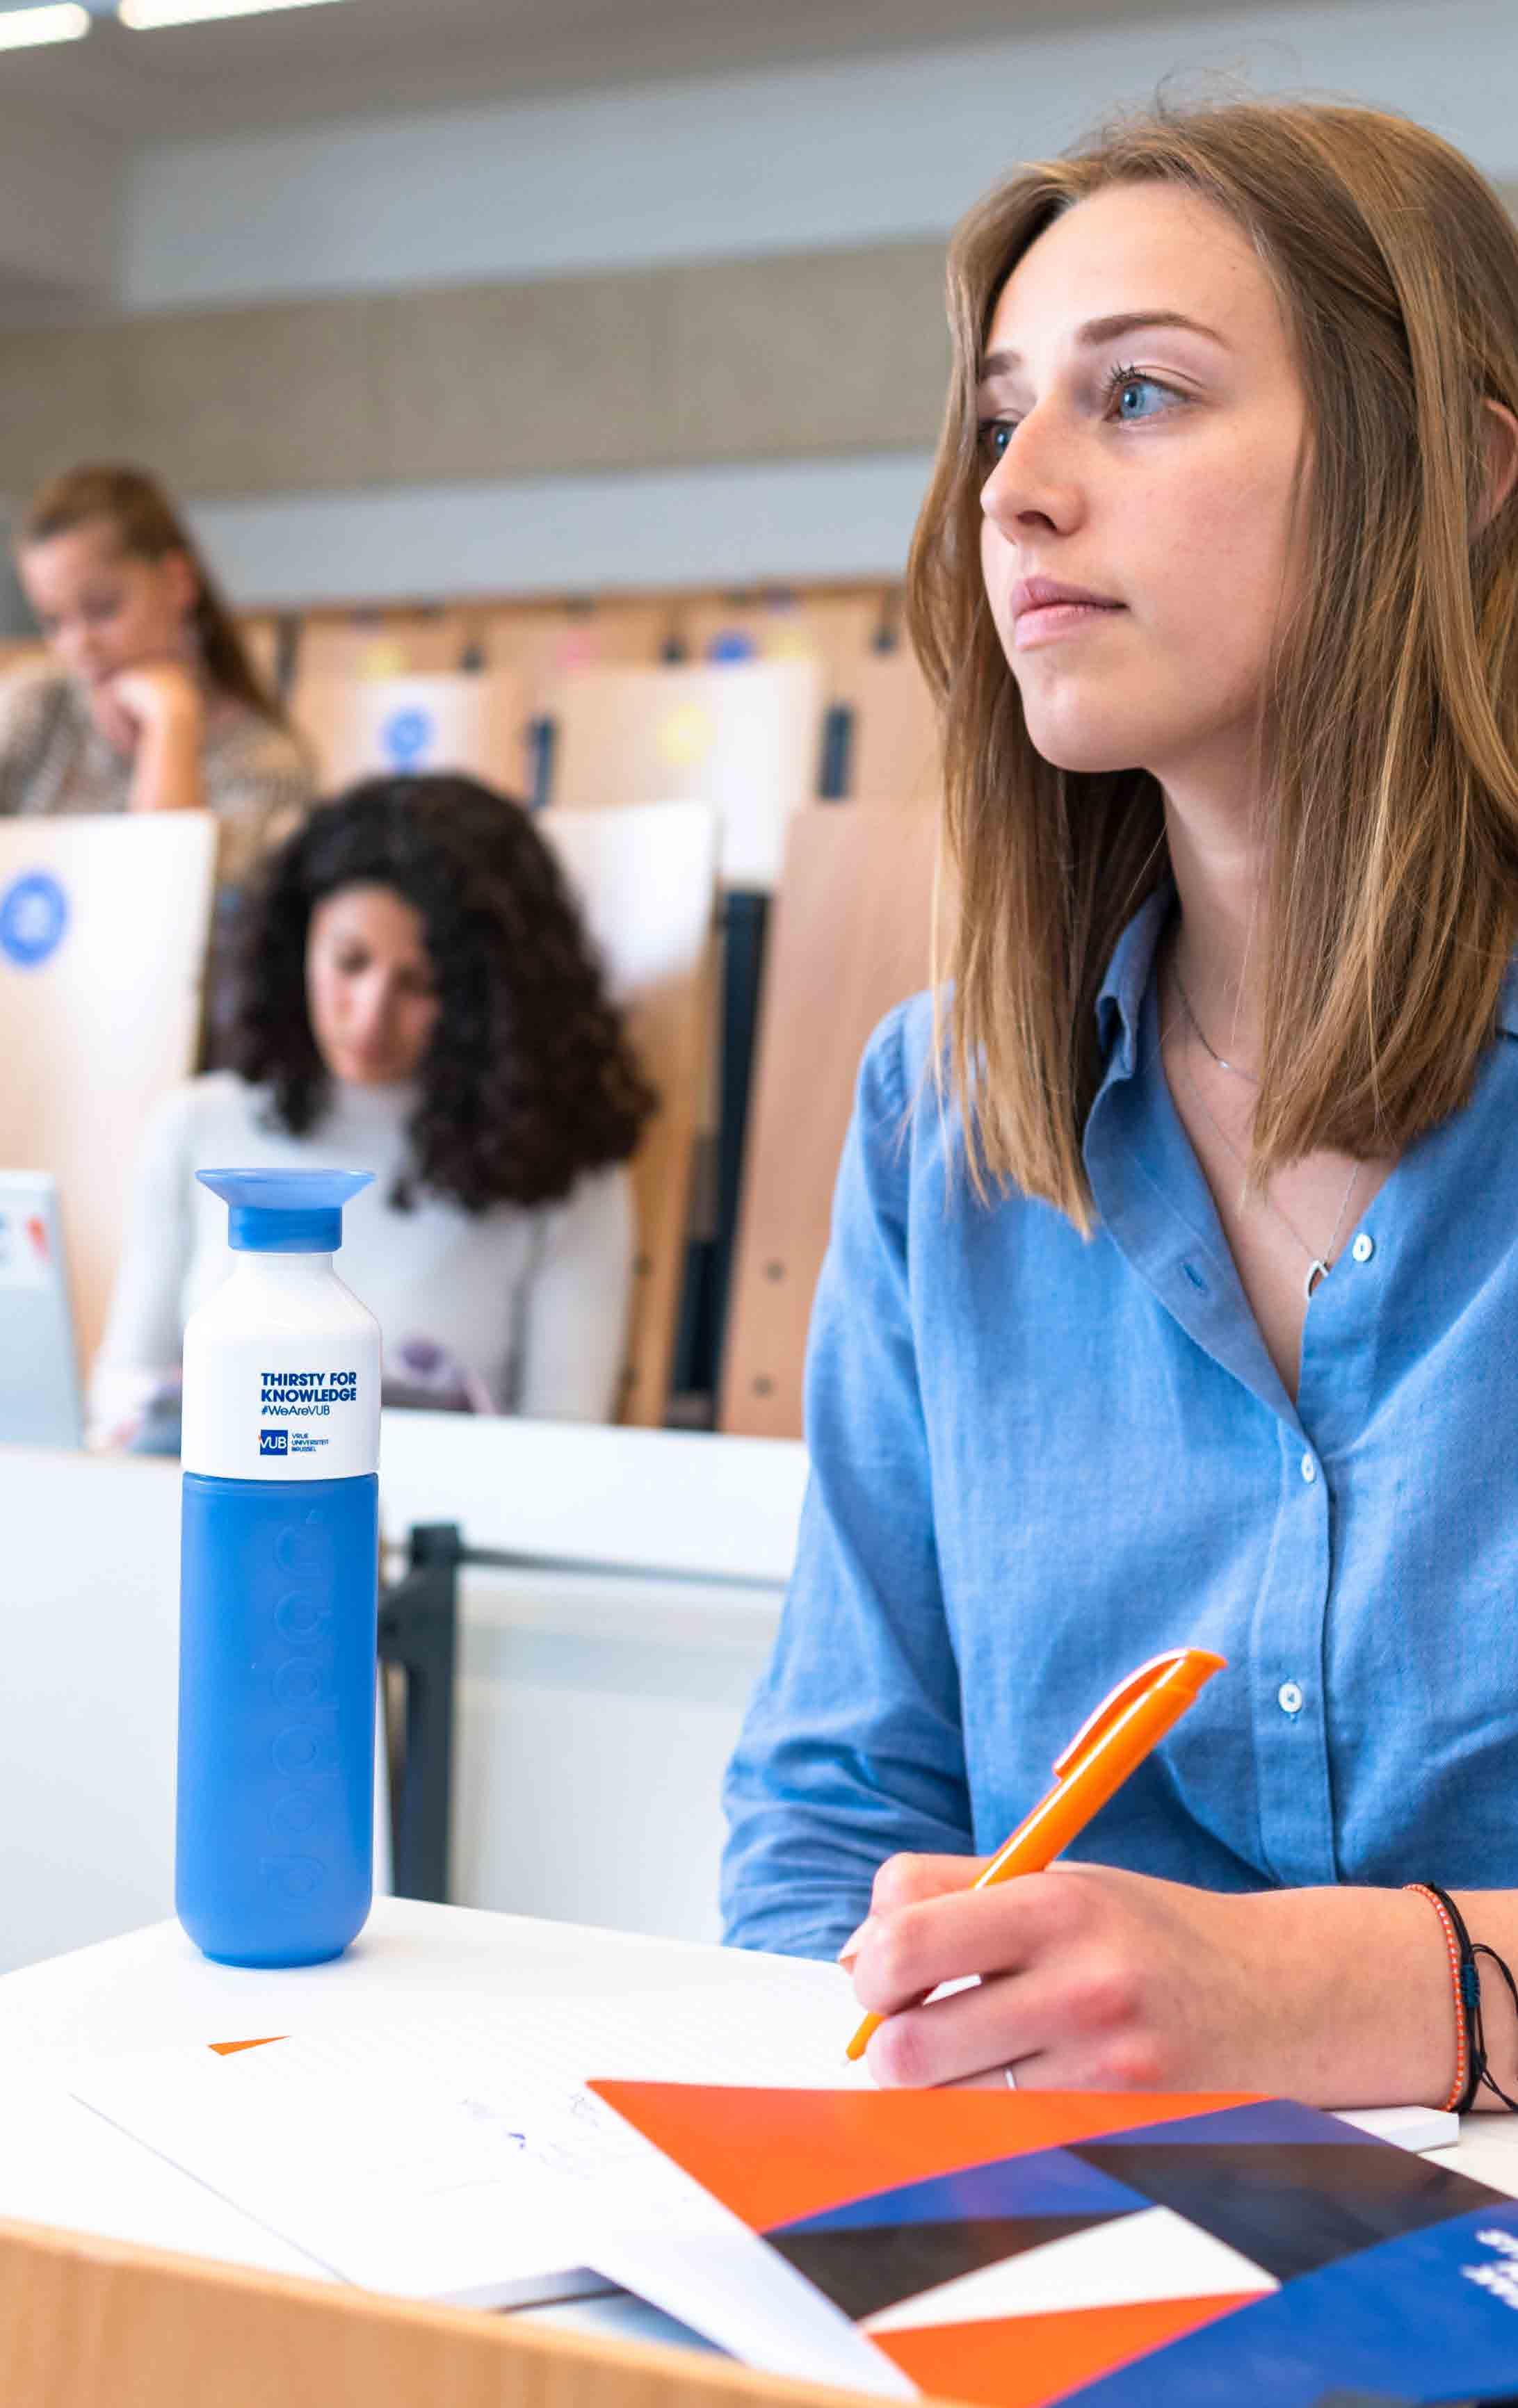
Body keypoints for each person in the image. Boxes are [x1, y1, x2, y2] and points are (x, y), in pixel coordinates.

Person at [721, 99, 1518, 2113]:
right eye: (999, 420)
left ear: (1453, 473)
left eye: (1136, 395)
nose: (1013, 493)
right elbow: (837, 1817)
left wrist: (1333, 1993)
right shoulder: (937, 1114)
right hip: (1063, 2228)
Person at [91, 774, 653, 1443]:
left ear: (488, 999)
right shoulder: (195, 1127)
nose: (369, 1016)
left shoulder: (568, 1175)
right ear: (298, 942)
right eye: (348, 961)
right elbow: (121, 1401)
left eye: (420, 984)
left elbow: (566, 1448)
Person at [0, 463, 312, 890]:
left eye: (103, 609)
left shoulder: (264, 764)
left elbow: (163, 903)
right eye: (53, 622)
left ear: (177, 582)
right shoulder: (34, 705)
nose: (78, 644)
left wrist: (171, 727)